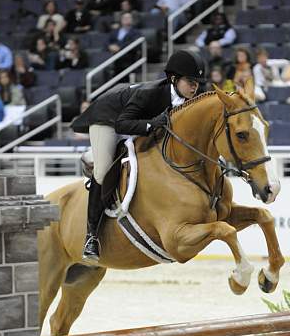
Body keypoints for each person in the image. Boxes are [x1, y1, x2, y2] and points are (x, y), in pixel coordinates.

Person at [70, 49, 206, 263]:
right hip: (109, 119)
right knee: (104, 169)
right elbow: (122, 124)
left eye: (197, 82)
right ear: (174, 79)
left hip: (136, 122)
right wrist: (153, 124)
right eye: (190, 81)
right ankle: (91, 237)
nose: (195, 86)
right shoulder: (150, 93)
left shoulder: (190, 99)